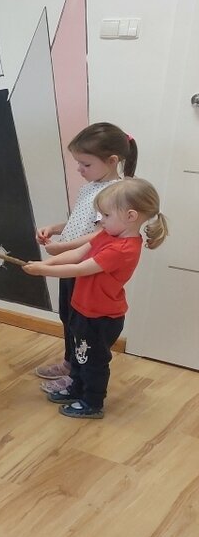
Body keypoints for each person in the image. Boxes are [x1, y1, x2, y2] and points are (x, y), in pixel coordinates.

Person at [23, 178, 168, 419]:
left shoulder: (122, 249)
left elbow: (81, 269)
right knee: (80, 355)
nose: (101, 221)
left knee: (93, 361)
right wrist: (45, 264)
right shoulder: (108, 236)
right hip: (84, 309)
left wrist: (43, 271)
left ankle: (92, 402)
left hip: (101, 317)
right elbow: (76, 254)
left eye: (106, 215)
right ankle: (77, 388)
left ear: (131, 216)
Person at [32, 123, 135, 391]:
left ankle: (77, 374)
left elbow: (99, 234)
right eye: (78, 163)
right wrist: (55, 229)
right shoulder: (91, 187)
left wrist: (63, 248)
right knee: (68, 317)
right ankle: (71, 363)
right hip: (72, 263)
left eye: (85, 164)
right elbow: (80, 221)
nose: (79, 169)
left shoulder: (115, 194)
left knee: (81, 326)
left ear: (112, 161)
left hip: (86, 268)